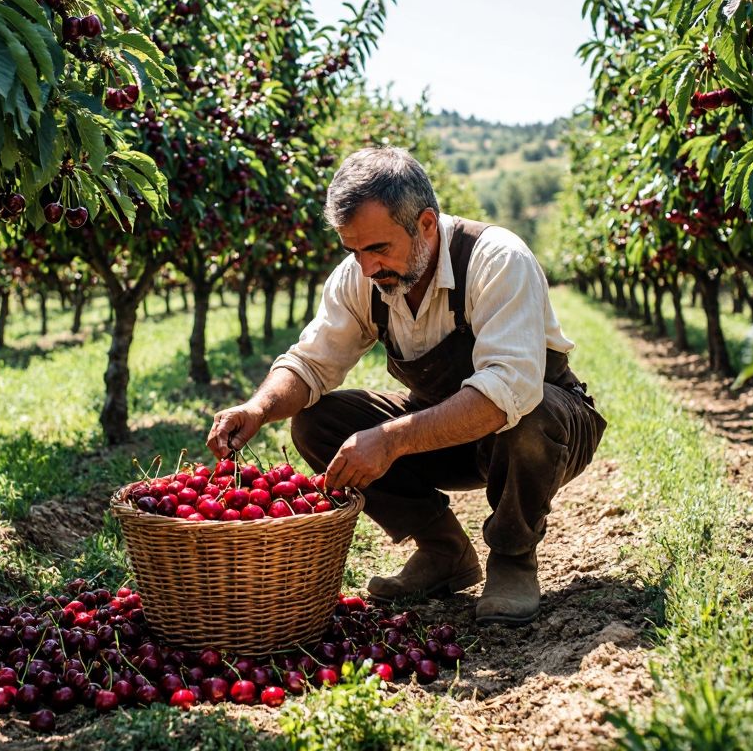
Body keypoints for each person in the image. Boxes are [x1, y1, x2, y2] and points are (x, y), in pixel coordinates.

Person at [206, 147, 605, 625]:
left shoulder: (497, 260)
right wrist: (257, 407)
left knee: (528, 416)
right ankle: (444, 551)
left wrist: (392, 439)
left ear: (427, 225)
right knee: (318, 421)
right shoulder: (361, 279)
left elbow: (508, 392)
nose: (368, 267)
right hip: (449, 431)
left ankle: (513, 557)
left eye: (379, 248)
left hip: (544, 431)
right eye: (354, 251)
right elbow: (310, 363)